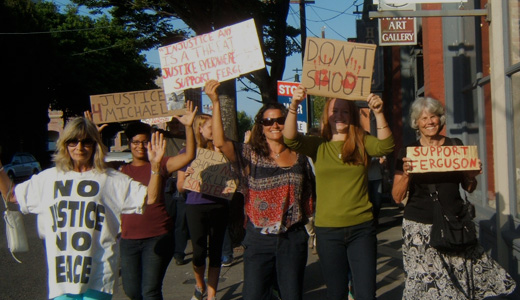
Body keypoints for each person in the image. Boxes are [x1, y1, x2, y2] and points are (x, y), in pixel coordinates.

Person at [0, 116, 164, 300]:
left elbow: (150, 197)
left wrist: (155, 167)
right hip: (62, 279)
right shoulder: (49, 178)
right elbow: (12, 195)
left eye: (86, 141)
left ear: (95, 145)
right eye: (73, 141)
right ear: (64, 144)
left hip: (98, 275)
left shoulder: (110, 178)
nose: (79, 147)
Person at [391, 97, 516, 299]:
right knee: (427, 285)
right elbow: (397, 196)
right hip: (420, 229)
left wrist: (471, 176)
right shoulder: (407, 152)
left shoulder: (455, 147)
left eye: (434, 116)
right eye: (424, 118)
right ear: (417, 123)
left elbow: (468, 186)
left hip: (454, 226)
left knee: (458, 282)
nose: (430, 122)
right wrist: (406, 174)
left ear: (441, 119)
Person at [207, 80, 315, 300]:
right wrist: (215, 102)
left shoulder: (301, 155)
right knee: (254, 295)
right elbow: (220, 141)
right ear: (261, 125)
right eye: (268, 121)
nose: (274, 125)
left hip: (292, 237)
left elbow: (308, 195)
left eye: (279, 120)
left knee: (292, 295)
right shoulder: (249, 154)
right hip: (258, 239)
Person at [284, 85, 394, 300]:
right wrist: (294, 105)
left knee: (366, 293)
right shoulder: (318, 145)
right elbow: (290, 140)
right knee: (336, 293)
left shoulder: (362, 142)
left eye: (345, 111)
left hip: (361, 229)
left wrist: (379, 113)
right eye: (335, 111)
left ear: (352, 115)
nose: (339, 116)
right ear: (327, 116)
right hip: (328, 231)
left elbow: (386, 146)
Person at [118, 102, 197, 300]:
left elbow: (189, 156)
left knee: (150, 291)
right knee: (132, 291)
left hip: (157, 236)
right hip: (128, 239)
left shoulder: (160, 163)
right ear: (129, 143)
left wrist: (188, 126)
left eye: (144, 142)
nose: (140, 146)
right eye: (135, 142)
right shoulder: (121, 171)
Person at [176, 113, 230, 300]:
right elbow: (180, 187)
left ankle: (212, 294)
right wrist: (189, 176)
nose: (214, 132)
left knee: (216, 250)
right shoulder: (187, 153)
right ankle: (200, 284)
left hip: (219, 205)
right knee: (198, 252)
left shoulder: (222, 151)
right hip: (195, 205)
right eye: (210, 128)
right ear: (199, 129)